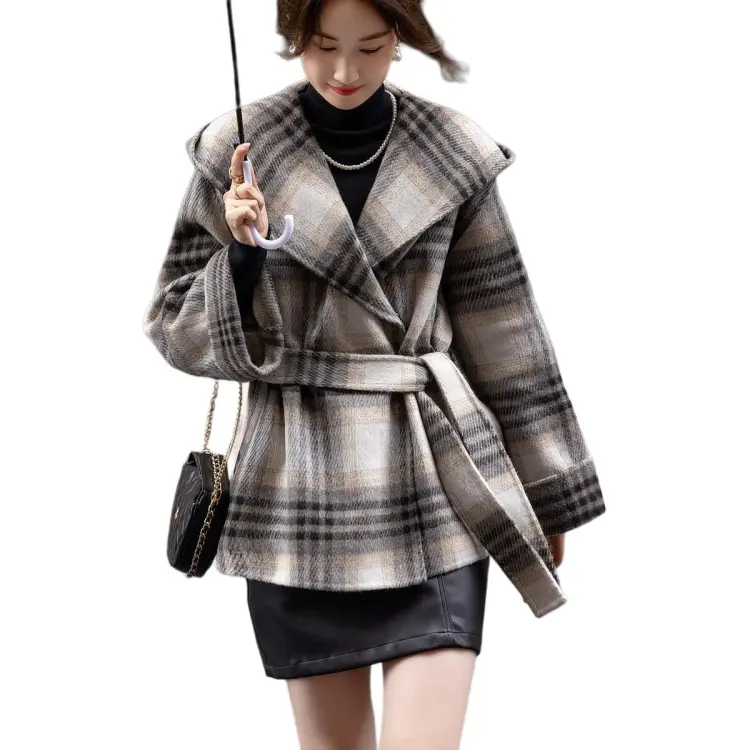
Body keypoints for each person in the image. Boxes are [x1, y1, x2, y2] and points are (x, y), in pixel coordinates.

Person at [143, 0, 606, 747]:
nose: (345, 70)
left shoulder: (451, 152)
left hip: (433, 478)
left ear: (403, 39)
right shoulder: (236, 152)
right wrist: (243, 256)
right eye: (324, 45)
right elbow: (174, 328)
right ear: (293, 37)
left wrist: (550, 495)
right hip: (298, 493)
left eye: (372, 45)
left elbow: (505, 329)